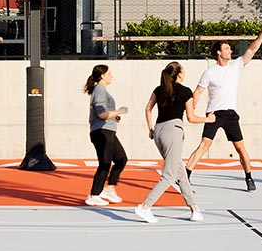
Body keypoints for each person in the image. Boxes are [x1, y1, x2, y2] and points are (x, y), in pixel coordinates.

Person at [185, 16, 262, 192]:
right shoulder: (209, 72)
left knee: (240, 148)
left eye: (230, 48)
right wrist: (192, 105)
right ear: (218, 52)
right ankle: (185, 177)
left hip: (231, 115)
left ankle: (249, 177)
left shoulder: (236, 66)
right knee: (204, 145)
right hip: (214, 115)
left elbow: (252, 50)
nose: (230, 51)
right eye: (226, 48)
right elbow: (198, 91)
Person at [135, 60, 207, 223]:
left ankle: (194, 209)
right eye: (183, 69)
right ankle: (145, 206)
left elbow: (148, 108)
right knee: (168, 175)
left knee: (180, 172)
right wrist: (208, 119)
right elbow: (191, 117)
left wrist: (150, 128)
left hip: (159, 132)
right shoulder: (185, 91)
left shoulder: (159, 89)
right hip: (173, 131)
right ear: (179, 73)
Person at [83, 64, 130, 207]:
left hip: (108, 130)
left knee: (121, 159)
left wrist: (114, 116)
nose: (111, 76)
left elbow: (104, 113)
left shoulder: (101, 90)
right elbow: (101, 114)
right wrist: (119, 111)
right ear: (102, 76)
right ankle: (94, 195)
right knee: (105, 163)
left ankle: (109, 189)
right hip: (102, 131)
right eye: (109, 73)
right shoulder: (100, 90)